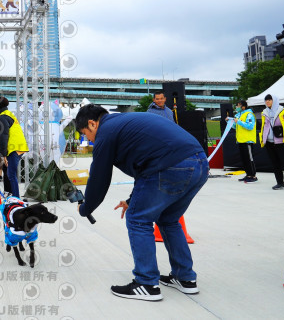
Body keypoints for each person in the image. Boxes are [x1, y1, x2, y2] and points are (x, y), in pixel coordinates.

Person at [75, 104, 207, 301]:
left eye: (85, 134)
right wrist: (131, 200)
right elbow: (145, 166)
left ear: (92, 124)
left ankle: (146, 283)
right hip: (200, 164)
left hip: (170, 166)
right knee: (169, 219)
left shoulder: (106, 132)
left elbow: (99, 178)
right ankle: (185, 278)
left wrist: (85, 208)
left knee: (138, 219)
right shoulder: (124, 123)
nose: (89, 139)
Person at [0, 96, 29, 198]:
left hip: (14, 148)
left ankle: (16, 199)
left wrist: (3, 155)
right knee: (11, 174)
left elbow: (3, 137)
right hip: (19, 146)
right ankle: (15, 197)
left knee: (11, 175)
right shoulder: (9, 114)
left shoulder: (3, 117)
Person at [259, 94, 284, 190]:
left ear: (274, 100)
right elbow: (264, 126)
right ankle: (280, 183)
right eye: (266, 100)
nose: (267, 101)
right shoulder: (264, 112)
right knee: (275, 163)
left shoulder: (283, 110)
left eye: (269, 100)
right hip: (269, 142)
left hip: (281, 141)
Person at [233, 99, 257, 183]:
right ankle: (248, 174)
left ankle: (253, 176)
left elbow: (250, 126)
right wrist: (230, 122)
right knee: (244, 159)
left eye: (238, 105)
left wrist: (238, 122)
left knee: (249, 159)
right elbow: (236, 126)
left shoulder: (249, 114)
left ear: (243, 106)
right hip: (241, 140)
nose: (237, 107)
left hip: (248, 141)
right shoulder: (239, 115)